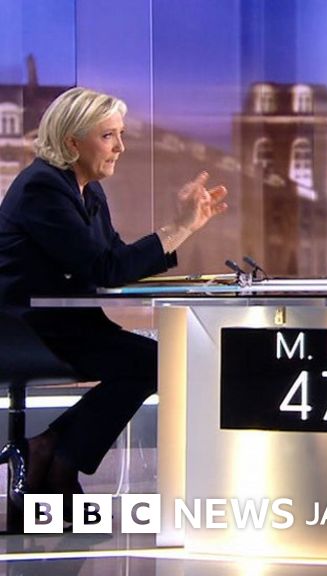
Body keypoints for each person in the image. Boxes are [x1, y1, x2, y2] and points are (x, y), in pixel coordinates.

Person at [0, 87, 228, 511]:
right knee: (155, 362)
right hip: (25, 331)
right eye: (108, 136)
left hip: (68, 326)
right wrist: (179, 227)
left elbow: (115, 258)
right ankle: (53, 455)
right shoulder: (41, 188)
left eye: (121, 134)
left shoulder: (86, 189)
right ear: (71, 142)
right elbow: (104, 268)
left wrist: (185, 228)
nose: (120, 147)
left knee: (156, 361)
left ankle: (52, 455)